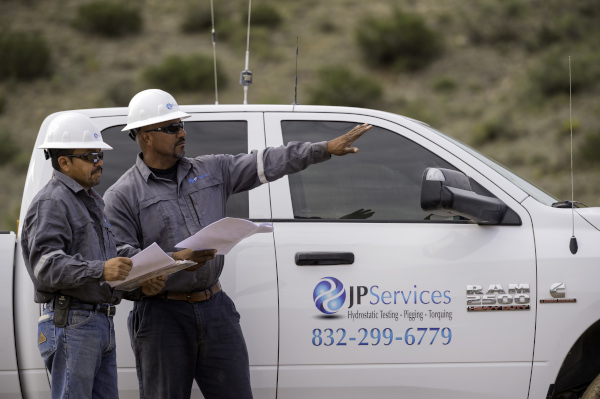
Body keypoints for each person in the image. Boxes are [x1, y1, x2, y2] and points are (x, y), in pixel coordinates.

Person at [103, 89, 371, 399]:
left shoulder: (212, 170)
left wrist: (322, 149)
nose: (182, 132)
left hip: (215, 309)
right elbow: (120, 262)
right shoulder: (122, 195)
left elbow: (269, 160)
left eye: (180, 125)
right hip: (162, 318)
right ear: (145, 137)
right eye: (171, 128)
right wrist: (173, 262)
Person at [20, 112, 165, 399]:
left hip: (95, 323)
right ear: (64, 162)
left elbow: (109, 257)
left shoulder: (91, 201)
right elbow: (45, 266)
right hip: (73, 324)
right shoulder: (52, 201)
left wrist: (141, 277)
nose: (99, 162)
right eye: (90, 156)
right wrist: (101, 270)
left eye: (100, 155)